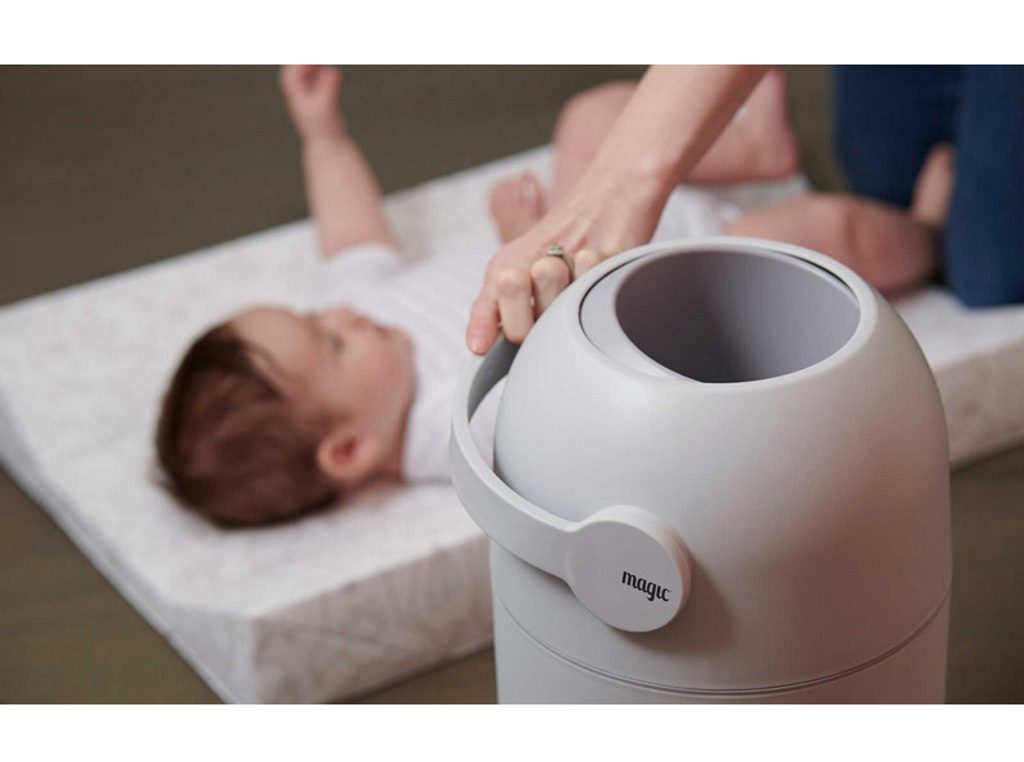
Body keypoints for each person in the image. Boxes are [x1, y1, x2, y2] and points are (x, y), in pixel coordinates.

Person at [156, 65, 798, 527]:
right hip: (669, 289)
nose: (339, 312)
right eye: (330, 343)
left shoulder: (362, 307)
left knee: (589, 119)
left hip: (592, 226)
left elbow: (348, 230)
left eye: (311, 314)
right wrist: (522, 237)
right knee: (793, 245)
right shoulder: (456, 428)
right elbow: (571, 390)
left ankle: (754, 149)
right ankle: (858, 237)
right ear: (350, 449)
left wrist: (322, 134)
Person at [466, 65, 1024, 356]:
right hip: (656, 277)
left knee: (985, 272)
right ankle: (922, 226)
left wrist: (613, 191)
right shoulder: (436, 413)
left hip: (632, 253)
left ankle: (920, 228)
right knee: (889, 190)